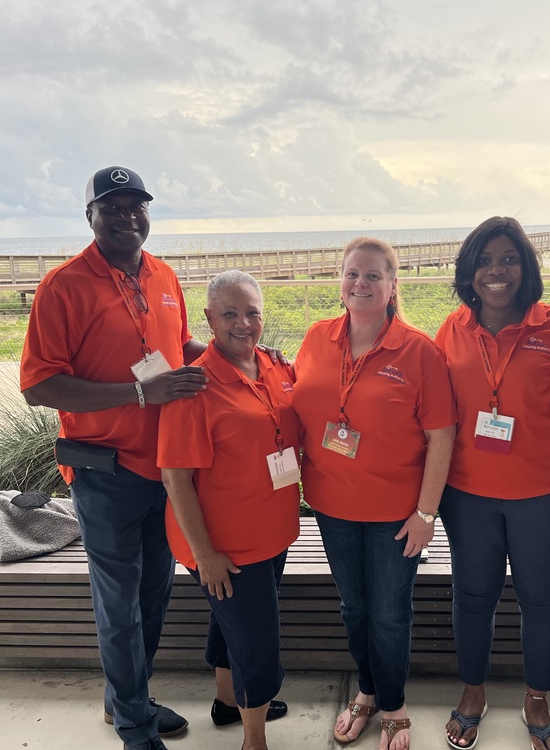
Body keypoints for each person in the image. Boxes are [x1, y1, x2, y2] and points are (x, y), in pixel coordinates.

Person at [20, 166, 206, 750]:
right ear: (91, 217)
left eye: (136, 205)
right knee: (119, 603)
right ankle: (134, 724)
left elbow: (175, 350)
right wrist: (138, 393)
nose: (127, 216)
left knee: (154, 593)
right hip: (105, 472)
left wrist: (236, 349)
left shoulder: (164, 275)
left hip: (167, 469)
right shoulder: (63, 286)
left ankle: (127, 697)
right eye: (113, 207)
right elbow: (38, 384)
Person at [434, 217, 550, 750]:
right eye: (483, 260)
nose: (495, 270)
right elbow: (440, 408)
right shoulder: (452, 330)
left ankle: (536, 698)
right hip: (468, 494)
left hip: (546, 494)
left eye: (508, 259)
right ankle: (473, 692)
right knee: (472, 597)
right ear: (468, 271)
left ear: (526, 267)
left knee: (542, 600)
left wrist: (542, 398)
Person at [292, 238, 456, 750]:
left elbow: (442, 436)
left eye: (373, 276)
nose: (360, 284)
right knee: (353, 608)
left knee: (389, 611)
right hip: (331, 506)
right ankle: (367, 691)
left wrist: (427, 512)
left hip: (395, 514)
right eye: (352, 274)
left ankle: (394, 703)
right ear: (340, 281)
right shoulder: (318, 337)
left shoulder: (418, 351)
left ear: (392, 286)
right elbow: (292, 401)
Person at [158, 270, 297, 750]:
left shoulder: (274, 367)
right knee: (257, 643)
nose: (244, 323)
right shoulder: (195, 386)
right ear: (209, 319)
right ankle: (253, 738)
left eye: (253, 312)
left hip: (273, 530)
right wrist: (206, 555)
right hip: (227, 544)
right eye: (230, 314)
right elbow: (174, 477)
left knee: (231, 622)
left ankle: (225, 702)